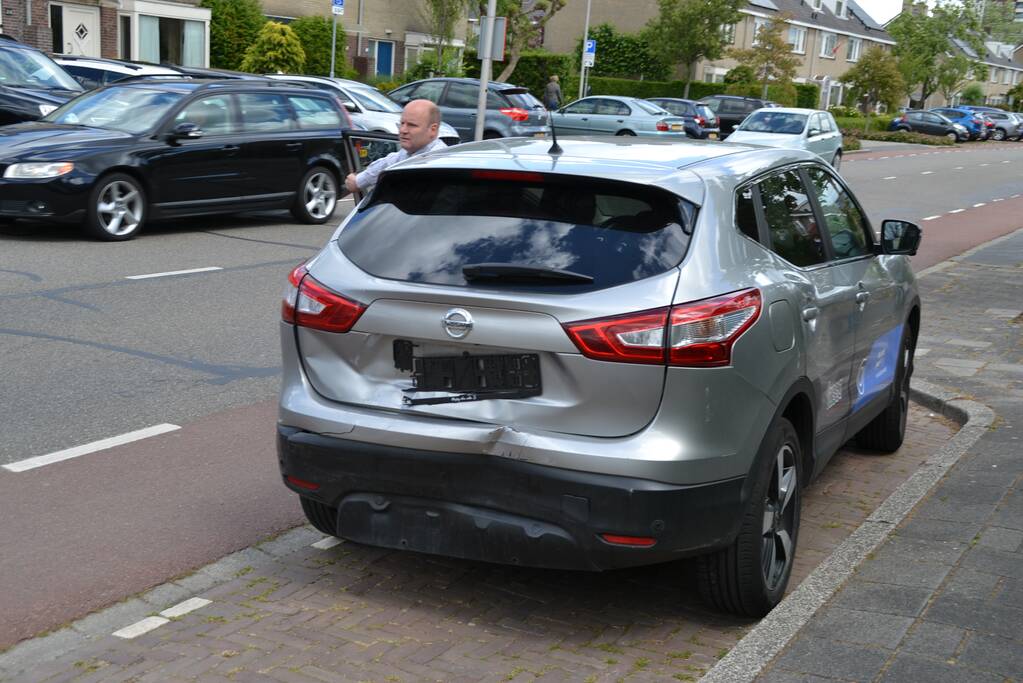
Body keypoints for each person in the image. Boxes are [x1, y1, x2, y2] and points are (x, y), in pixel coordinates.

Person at [344, 98, 447, 195]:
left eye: (412, 125)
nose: (403, 130)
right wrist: (358, 181)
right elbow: (388, 163)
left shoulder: (440, 162)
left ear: (432, 130)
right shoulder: (407, 154)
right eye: (402, 123)